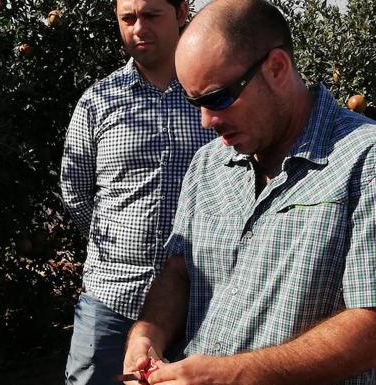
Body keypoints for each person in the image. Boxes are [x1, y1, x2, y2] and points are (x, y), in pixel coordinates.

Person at [123, 0, 376, 383]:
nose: (207, 121)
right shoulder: (208, 164)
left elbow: (371, 325)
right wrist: (148, 332)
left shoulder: (364, 161)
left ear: (276, 68)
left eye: (218, 97)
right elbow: (178, 272)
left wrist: (236, 374)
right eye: (196, 103)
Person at [60, 0, 216, 383]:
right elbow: (75, 189)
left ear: (181, 12)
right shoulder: (99, 101)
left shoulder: (211, 97)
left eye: (151, 16)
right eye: (127, 19)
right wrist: (117, 248)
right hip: (111, 299)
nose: (138, 28)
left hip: (199, 300)